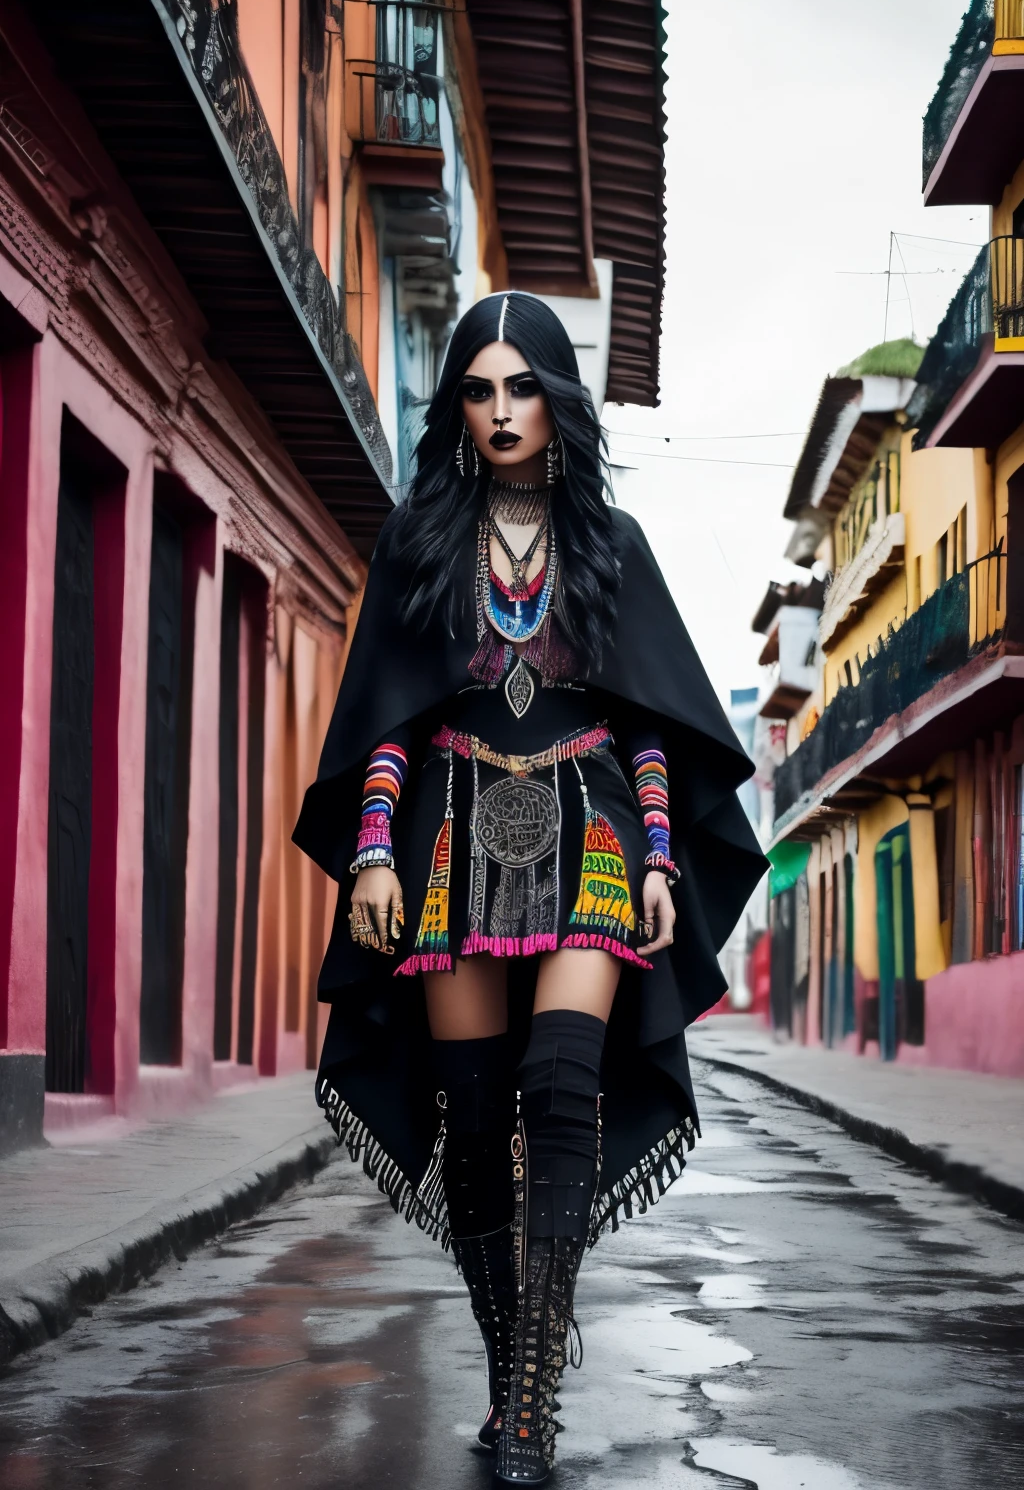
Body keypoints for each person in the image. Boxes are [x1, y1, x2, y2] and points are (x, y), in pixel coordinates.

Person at [293, 292, 765, 1484]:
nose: (502, 412)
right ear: (458, 404)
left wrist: (660, 857)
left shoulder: (613, 546)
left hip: (594, 835)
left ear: (559, 403)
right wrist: (368, 853)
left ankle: (530, 1407)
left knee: (559, 1092)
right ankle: (513, 1360)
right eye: (479, 389)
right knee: (469, 1121)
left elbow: (647, 718)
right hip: (447, 844)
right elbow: (393, 720)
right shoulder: (418, 541)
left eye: (523, 388)